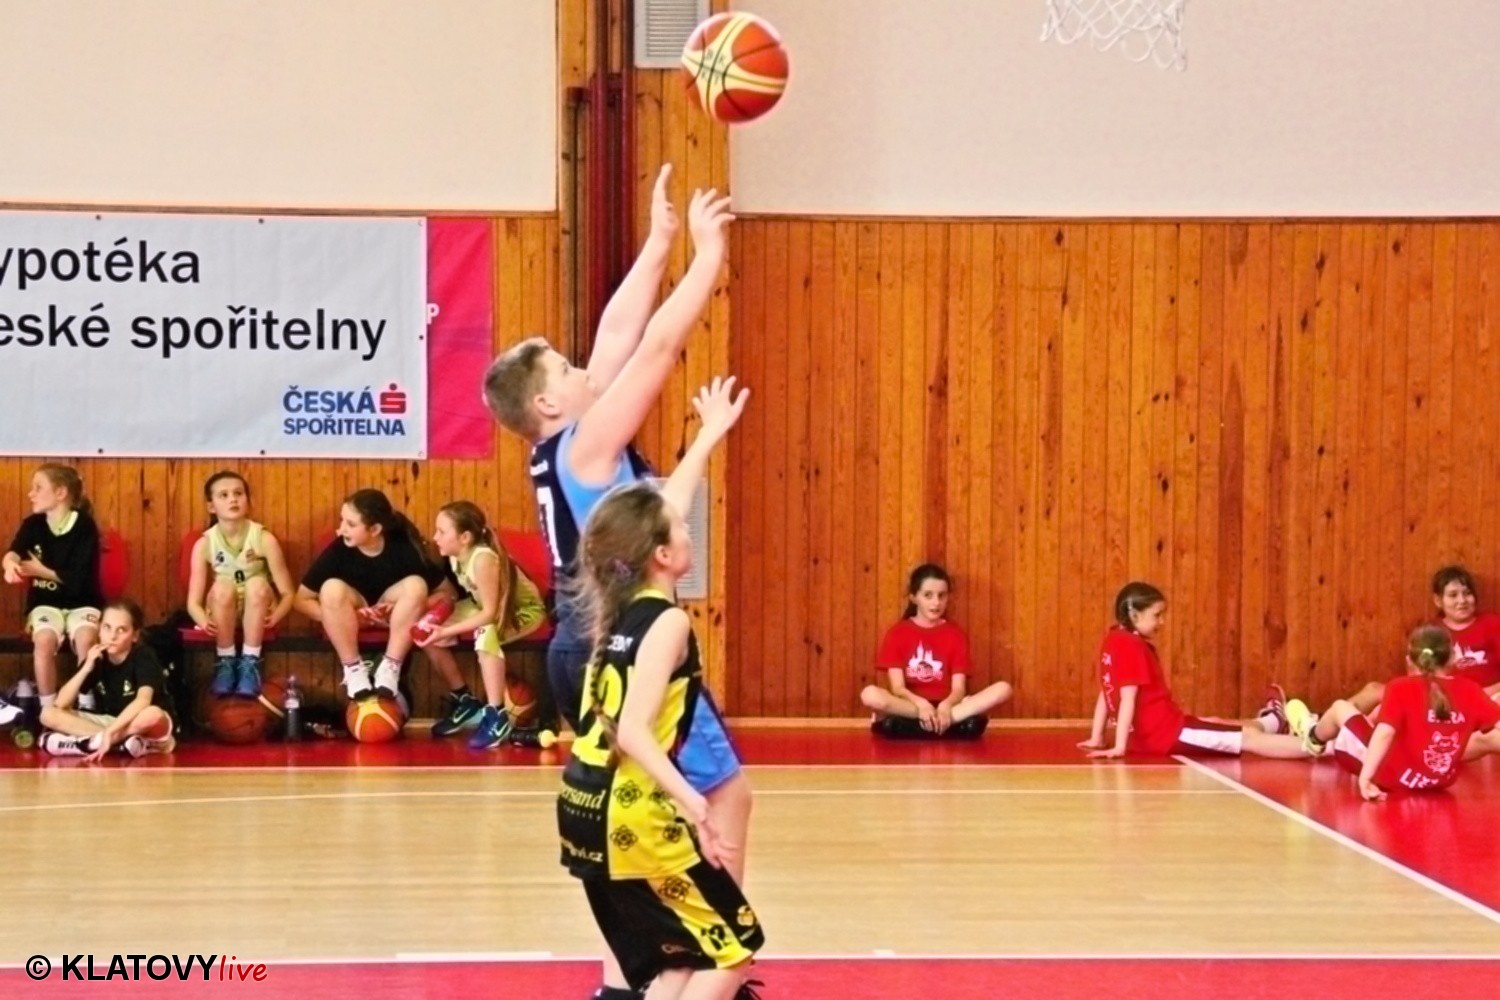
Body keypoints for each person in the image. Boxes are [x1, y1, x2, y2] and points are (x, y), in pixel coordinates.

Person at [483, 165, 733, 739]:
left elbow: (617, 334)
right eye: (566, 369)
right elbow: (656, 349)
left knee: (641, 783)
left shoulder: (565, 445)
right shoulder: (585, 446)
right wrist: (707, 257)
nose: (583, 370)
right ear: (547, 402)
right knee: (700, 778)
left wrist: (659, 243)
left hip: (584, 642)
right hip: (611, 639)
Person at [557, 376, 763, 1000]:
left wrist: (708, 436)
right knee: (734, 950)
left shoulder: (618, 609)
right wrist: (697, 808)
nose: (687, 530)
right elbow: (635, 734)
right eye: (679, 531)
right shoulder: (668, 621)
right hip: (633, 816)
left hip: (583, 807)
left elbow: (667, 505)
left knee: (675, 961)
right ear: (661, 556)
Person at [1079, 581, 1310, 759]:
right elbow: (1126, 698)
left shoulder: (1113, 639)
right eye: (1157, 615)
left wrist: (1097, 737)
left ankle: (1274, 721)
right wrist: (1119, 747)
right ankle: (1323, 744)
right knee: (1249, 738)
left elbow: (1106, 691)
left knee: (1216, 722)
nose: (1162, 622)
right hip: (1167, 735)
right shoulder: (1132, 646)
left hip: (1168, 727)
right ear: (1134, 615)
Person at [1286, 625, 1500, 800]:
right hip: (1438, 780)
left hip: (1390, 777)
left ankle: (1314, 736)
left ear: (1409, 660)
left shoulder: (1400, 687)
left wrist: (1366, 778)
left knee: (1340, 707)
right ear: (1452, 658)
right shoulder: (1471, 690)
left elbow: (1385, 733)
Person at [419, 500, 547, 749]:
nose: (435, 537)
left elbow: (489, 614)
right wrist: (439, 623)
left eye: (442, 532)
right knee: (425, 630)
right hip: (483, 606)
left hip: (523, 612)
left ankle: (497, 715)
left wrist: (448, 631)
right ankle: (464, 699)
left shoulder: (483, 559)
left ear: (465, 537)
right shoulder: (455, 556)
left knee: (484, 633)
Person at [294, 489, 437, 701]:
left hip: (390, 608)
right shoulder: (338, 549)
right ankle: (353, 668)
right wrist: (346, 618)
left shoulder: (403, 547)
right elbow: (301, 600)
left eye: (351, 524)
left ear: (375, 529)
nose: (341, 529)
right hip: (355, 606)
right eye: (342, 520)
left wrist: (400, 612)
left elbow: (446, 594)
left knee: (417, 585)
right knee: (331, 588)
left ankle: (391, 666)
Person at [860, 563, 1012, 738]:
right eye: (928, 595)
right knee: (870, 694)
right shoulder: (897, 633)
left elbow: (958, 689)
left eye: (942, 595)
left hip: (948, 707)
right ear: (913, 597)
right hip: (912, 706)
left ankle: (934, 722)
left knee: (1003, 689)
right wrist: (922, 706)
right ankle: (946, 724)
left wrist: (945, 707)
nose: (936, 602)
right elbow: (898, 688)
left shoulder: (955, 634)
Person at [2, 464, 102, 722]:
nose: (31, 494)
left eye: (38, 488)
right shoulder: (33, 524)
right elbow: (14, 551)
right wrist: (9, 564)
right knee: (44, 640)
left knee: (86, 639)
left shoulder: (84, 526)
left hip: (83, 602)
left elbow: (78, 579)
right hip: (45, 603)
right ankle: (49, 709)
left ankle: (86, 704)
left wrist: (42, 571)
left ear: (60, 492)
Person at [184, 471, 296, 699]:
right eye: (223, 495)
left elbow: (288, 593)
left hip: (259, 608)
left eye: (238, 493)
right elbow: (193, 602)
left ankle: (250, 663)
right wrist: (203, 621)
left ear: (248, 500)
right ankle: (225, 662)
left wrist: (276, 616)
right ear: (211, 506)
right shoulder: (204, 544)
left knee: (256, 584)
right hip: (223, 610)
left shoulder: (263, 538)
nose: (233, 499)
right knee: (223, 586)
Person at [38, 599, 177, 759]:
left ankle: (91, 743)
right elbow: (61, 703)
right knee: (47, 714)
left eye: (121, 630)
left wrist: (110, 732)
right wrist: (86, 667)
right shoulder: (97, 658)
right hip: (110, 722)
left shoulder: (144, 656)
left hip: (140, 721)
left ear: (135, 635)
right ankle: (118, 744)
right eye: (107, 628)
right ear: (99, 630)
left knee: (152, 714)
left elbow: (143, 701)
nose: (112, 636)